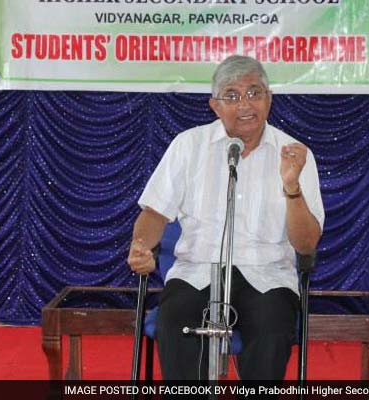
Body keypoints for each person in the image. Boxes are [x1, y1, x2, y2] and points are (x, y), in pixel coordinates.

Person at [127, 55, 324, 381]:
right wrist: (140, 246)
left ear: (269, 99)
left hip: (267, 276)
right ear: (215, 106)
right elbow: (154, 212)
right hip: (197, 272)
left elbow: (306, 244)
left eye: (254, 93)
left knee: (272, 331)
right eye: (232, 95)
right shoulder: (188, 145)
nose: (245, 104)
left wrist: (291, 187)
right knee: (175, 324)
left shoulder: (294, 153)